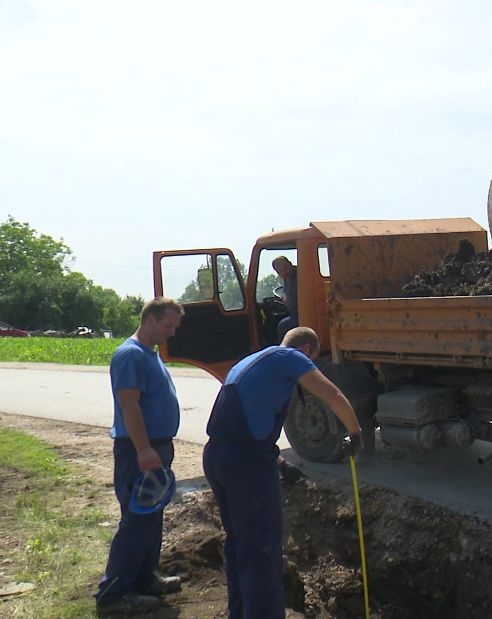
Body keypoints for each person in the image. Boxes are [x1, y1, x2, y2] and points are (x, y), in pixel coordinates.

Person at [203, 326, 363, 619]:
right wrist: (355, 432)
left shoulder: (254, 360)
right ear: (306, 351)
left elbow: (245, 421)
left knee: (240, 542)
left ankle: (239, 613)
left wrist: (279, 464)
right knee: (262, 549)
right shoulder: (292, 357)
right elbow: (333, 393)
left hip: (218, 457)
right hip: (246, 465)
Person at [95, 297, 186, 615]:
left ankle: (143, 578)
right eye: (168, 325)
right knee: (136, 521)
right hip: (139, 449)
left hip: (155, 446)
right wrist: (144, 448)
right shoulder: (130, 354)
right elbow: (129, 406)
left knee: (151, 518)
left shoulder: (150, 354)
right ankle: (113, 595)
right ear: (150, 319)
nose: (172, 332)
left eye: (175, 326)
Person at [272, 256, 299, 340]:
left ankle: (285, 350)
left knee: (283, 326)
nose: (285, 272)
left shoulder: (300, 274)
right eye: (280, 271)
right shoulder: (287, 280)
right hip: (293, 313)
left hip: (300, 314)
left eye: (285, 267)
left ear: (290, 263)